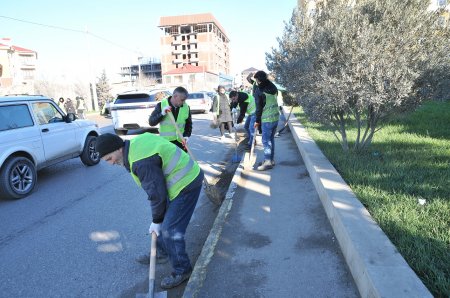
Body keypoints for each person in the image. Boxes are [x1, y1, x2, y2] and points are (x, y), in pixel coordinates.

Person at [96, 132, 204, 289]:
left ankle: (183, 270)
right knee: (162, 219)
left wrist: (156, 220)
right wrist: (157, 219)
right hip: (175, 181)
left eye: (109, 159)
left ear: (118, 149)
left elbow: (156, 195)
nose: (111, 163)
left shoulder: (141, 161)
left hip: (186, 183)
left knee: (169, 229)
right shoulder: (135, 144)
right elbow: (157, 191)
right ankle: (161, 252)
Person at [149, 87, 192, 152]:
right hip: (166, 144)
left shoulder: (186, 107)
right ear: (175, 96)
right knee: (170, 162)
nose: (183, 102)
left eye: (185, 100)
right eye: (182, 100)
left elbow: (188, 124)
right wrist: (162, 113)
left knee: (182, 162)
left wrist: (186, 136)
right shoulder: (161, 105)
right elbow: (151, 122)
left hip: (181, 144)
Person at [253, 70, 279, 171]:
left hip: (267, 119)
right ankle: (270, 160)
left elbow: (258, 108)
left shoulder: (259, 91)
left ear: (259, 80)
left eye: (256, 80)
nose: (256, 82)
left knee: (266, 141)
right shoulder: (273, 87)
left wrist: (257, 121)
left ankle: (267, 162)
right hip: (275, 118)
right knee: (271, 139)